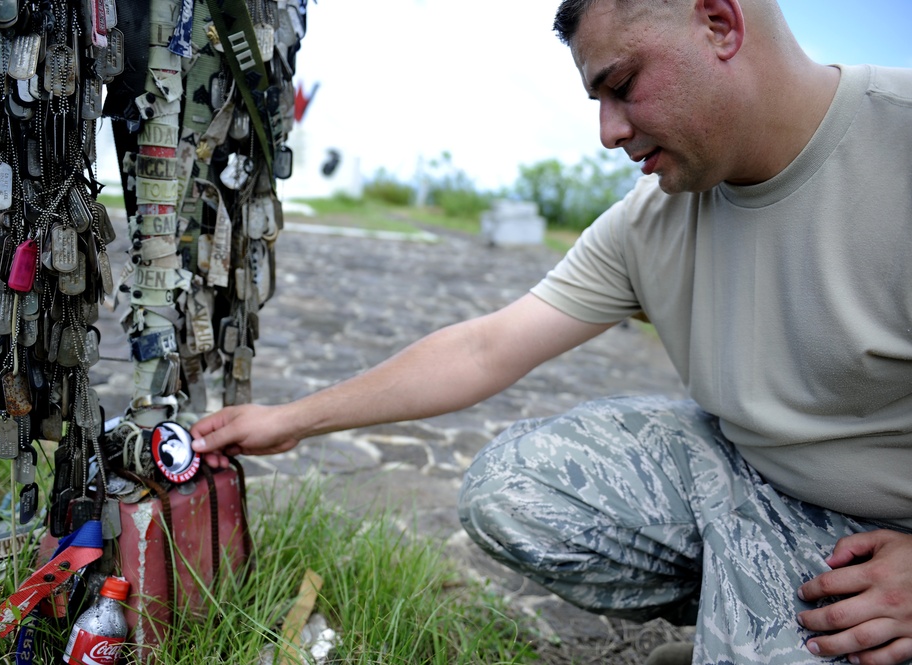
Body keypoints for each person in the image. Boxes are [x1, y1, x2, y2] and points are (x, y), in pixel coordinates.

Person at [190, 0, 912, 662]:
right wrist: (289, 419)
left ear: (719, 24)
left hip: (885, 534)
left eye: (622, 85)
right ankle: (744, 607)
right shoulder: (653, 217)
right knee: (515, 486)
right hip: (749, 477)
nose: (608, 133)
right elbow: (485, 347)